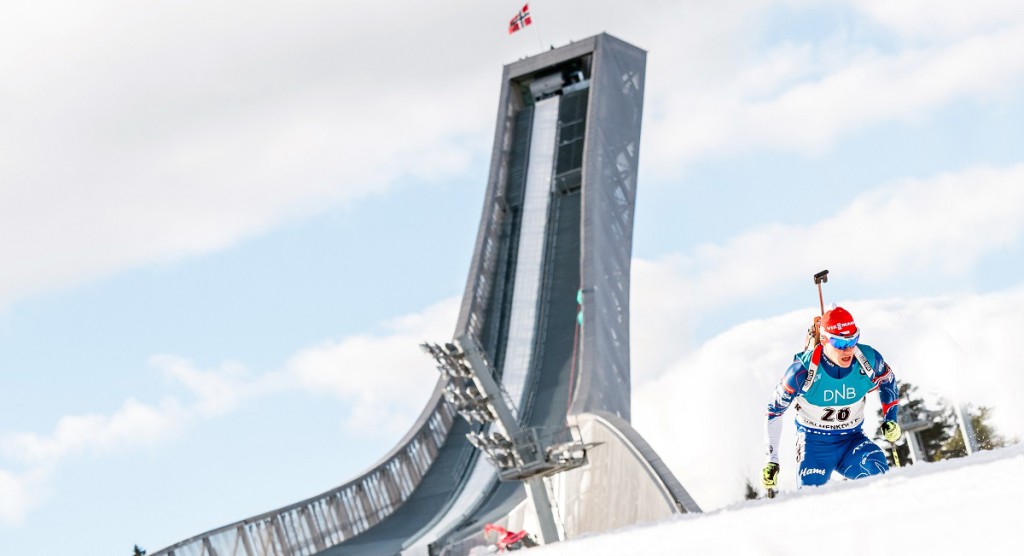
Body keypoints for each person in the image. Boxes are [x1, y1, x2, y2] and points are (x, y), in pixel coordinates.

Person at [762, 306, 902, 490]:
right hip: (813, 445)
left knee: (877, 469)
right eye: (840, 344)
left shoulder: (868, 360)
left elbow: (888, 382)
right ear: (824, 340)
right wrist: (771, 460)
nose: (848, 350)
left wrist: (890, 420)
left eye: (853, 340)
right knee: (810, 497)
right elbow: (774, 412)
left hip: (852, 440)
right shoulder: (801, 372)